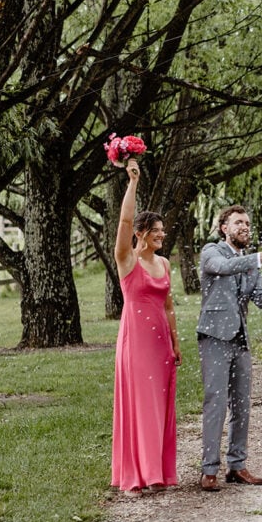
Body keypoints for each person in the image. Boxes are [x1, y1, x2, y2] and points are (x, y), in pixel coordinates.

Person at [197, 202, 262, 491]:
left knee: (242, 405)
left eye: (247, 223)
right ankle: (209, 470)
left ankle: (237, 465)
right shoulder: (212, 251)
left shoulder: (250, 262)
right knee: (216, 402)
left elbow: (260, 301)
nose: (245, 227)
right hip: (214, 337)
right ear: (225, 228)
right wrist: (261, 257)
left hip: (240, 340)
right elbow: (222, 268)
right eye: (238, 223)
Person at [111, 158, 182, 498]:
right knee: (139, 404)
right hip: (135, 342)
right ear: (141, 233)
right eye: (156, 230)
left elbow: (168, 306)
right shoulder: (127, 259)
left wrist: (176, 343)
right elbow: (125, 221)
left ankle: (157, 473)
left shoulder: (164, 263)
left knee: (159, 405)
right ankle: (135, 475)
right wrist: (133, 183)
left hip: (161, 344)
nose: (162, 234)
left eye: (163, 230)